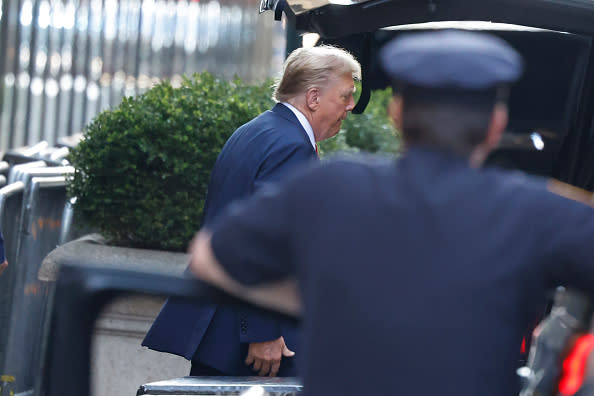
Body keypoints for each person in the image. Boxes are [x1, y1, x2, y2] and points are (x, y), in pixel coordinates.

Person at [186, 29, 594, 396]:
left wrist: (326, 302)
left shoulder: (329, 187)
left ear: (396, 114)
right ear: (496, 124)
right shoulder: (535, 209)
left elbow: (208, 257)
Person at [142, 45, 361, 377]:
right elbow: (267, 244)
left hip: (225, 324)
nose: (350, 106)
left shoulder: (257, 130)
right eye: (345, 96)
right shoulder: (292, 146)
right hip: (252, 338)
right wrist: (264, 332)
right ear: (313, 98)